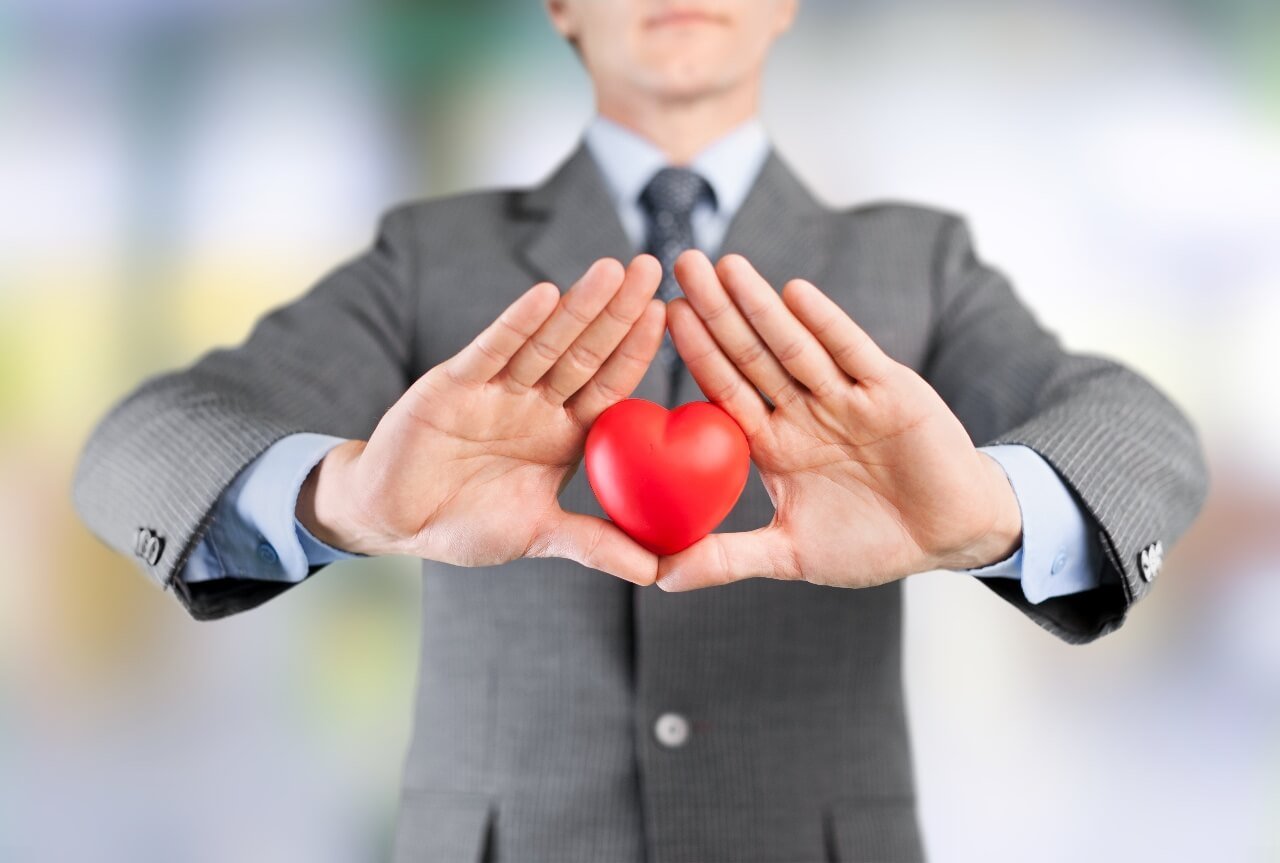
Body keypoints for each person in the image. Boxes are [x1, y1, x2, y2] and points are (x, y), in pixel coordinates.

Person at [71, 1, 1209, 860]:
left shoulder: (915, 258)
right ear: (562, 5)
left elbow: (1140, 434)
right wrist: (338, 496)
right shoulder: (430, 256)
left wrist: (993, 512)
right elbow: (142, 441)